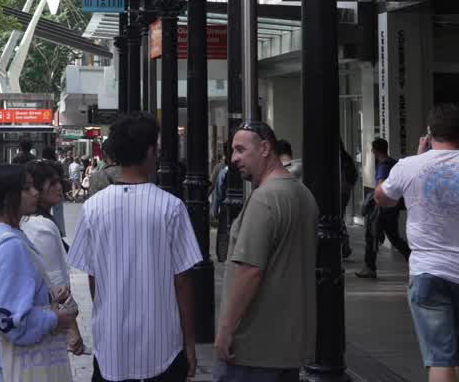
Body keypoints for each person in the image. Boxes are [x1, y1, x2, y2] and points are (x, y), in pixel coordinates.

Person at [67, 113, 202, 382]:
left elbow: (93, 278)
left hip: (111, 347)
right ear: (151, 151)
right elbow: (183, 281)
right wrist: (189, 344)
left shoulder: (93, 208)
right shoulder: (171, 207)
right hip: (163, 346)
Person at [375, 104, 459, 382]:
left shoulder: (409, 166)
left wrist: (416, 160)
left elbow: (382, 197)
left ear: (429, 134)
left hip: (427, 272)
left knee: (440, 357)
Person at [214, 121, 317, 381]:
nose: (234, 158)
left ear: (264, 148)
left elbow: (249, 270)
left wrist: (225, 330)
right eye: (232, 151)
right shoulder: (303, 194)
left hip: (253, 349)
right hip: (287, 348)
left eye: (240, 149)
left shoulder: (264, 200)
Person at [0, 164, 78, 382]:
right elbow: (8, 318)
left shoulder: (1, 235)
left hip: (5, 363)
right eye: (26, 188)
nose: (35, 192)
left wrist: (49, 295)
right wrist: (55, 319)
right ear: (9, 197)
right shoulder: (9, 245)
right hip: (12, 366)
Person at [25, 160, 87, 356]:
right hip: (47, 321)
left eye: (59, 181)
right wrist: (73, 329)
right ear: (36, 189)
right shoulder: (41, 227)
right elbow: (55, 281)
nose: (59, 187)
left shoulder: (31, 221)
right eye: (52, 183)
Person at [357, 138, 411, 279]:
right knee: (393, 237)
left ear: (374, 151)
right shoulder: (394, 163)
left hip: (383, 208)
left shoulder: (383, 166)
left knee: (371, 235)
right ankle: (412, 259)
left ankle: (370, 268)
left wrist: (374, 201)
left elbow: (380, 187)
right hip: (393, 206)